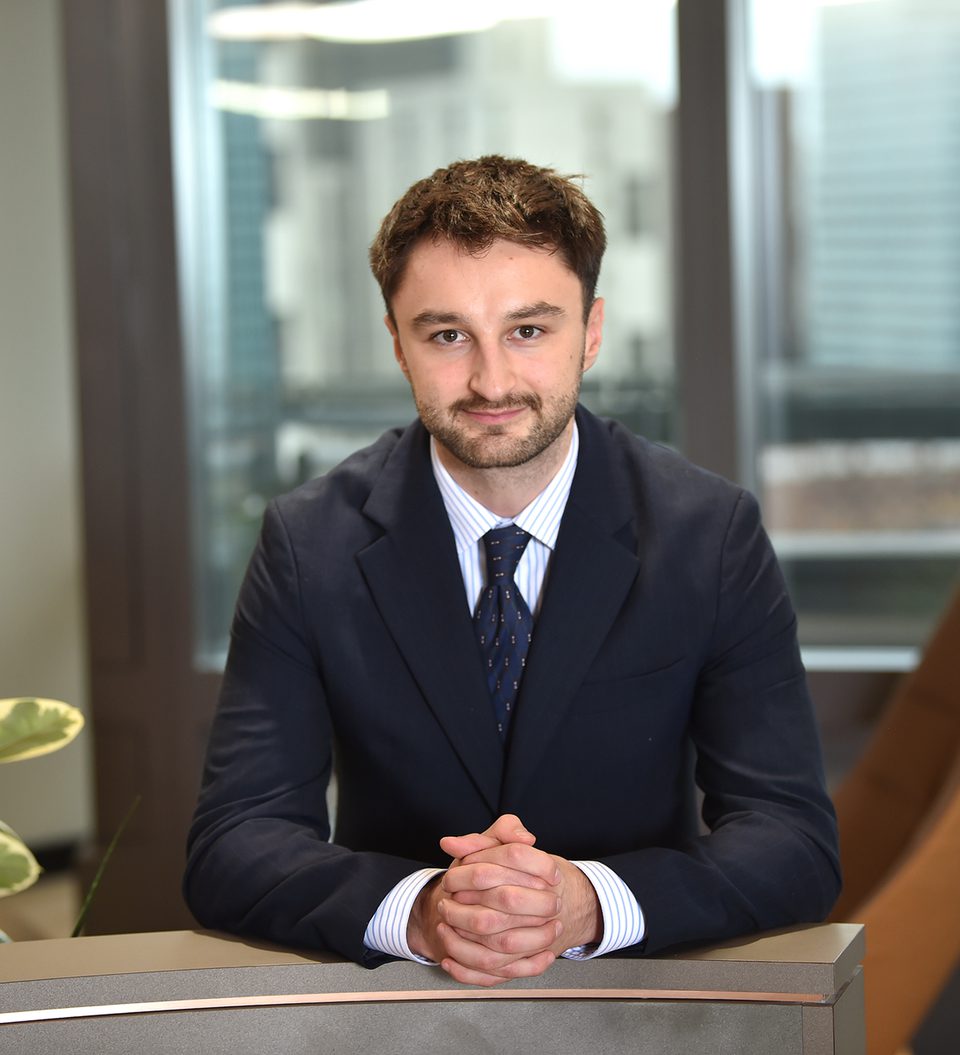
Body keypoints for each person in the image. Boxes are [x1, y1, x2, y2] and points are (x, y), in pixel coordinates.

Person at [184, 155, 840, 987]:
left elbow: (794, 839)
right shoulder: (306, 541)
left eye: (529, 330)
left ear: (592, 332)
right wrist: (423, 909)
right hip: (396, 1013)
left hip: (642, 1009)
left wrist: (587, 901)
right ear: (397, 341)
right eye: (448, 334)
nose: (491, 380)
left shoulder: (709, 533)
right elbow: (232, 841)